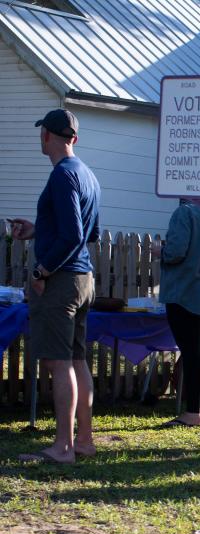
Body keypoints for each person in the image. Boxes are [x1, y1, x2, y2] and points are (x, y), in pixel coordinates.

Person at [13, 109, 100, 464]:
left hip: (62, 282)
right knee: (77, 360)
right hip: (84, 280)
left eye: (42, 133)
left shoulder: (62, 177)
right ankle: (84, 440)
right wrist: (39, 229)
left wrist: (42, 270)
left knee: (57, 362)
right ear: (74, 138)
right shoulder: (87, 174)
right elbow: (89, 234)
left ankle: (62, 447)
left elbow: (75, 235)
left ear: (47, 136)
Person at [152, 201, 200, 427]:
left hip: (185, 292)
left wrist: (160, 251)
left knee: (192, 354)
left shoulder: (185, 213)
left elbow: (175, 252)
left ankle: (192, 414)